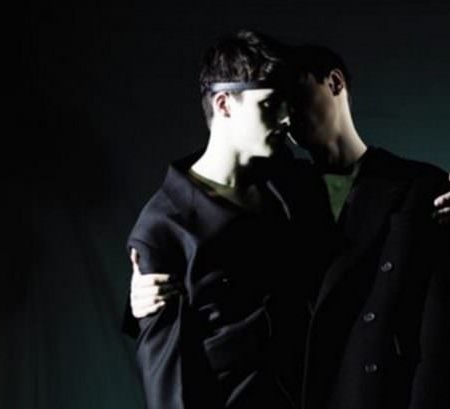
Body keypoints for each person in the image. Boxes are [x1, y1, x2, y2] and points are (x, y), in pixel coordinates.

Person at [127, 38, 450, 409]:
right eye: (274, 102)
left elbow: (442, 337)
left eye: (294, 96)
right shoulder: (282, 187)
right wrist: (145, 302)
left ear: (335, 83)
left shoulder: (419, 189)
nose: (286, 116)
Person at [123, 30, 330, 409]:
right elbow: (167, 382)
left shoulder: (294, 184)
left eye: (286, 103)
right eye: (269, 104)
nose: (286, 117)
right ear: (223, 104)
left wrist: (434, 196)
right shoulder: (163, 228)